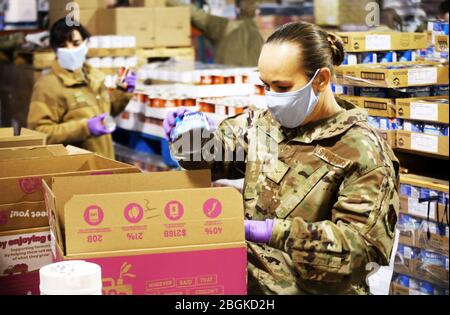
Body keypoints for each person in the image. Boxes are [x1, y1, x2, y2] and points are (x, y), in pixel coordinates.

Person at [163, 22, 400, 295]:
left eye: (282, 87)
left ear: (321, 80)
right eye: (266, 85)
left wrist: (273, 233)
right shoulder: (264, 125)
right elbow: (212, 158)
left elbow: (361, 251)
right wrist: (188, 137)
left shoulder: (362, 152)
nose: (272, 98)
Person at [27, 19, 136, 159]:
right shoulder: (47, 86)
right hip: (76, 168)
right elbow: (39, 133)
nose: (70, 50)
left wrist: (123, 92)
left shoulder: (94, 77)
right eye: (63, 46)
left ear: (86, 43)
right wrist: (85, 128)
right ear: (55, 50)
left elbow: (106, 113)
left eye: (76, 43)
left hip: (103, 162)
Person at [166, 0, 264, 67]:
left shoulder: (223, 26)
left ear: (237, 9)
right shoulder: (264, 37)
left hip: (225, 83)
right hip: (252, 87)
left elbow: (195, 14)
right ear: (258, 11)